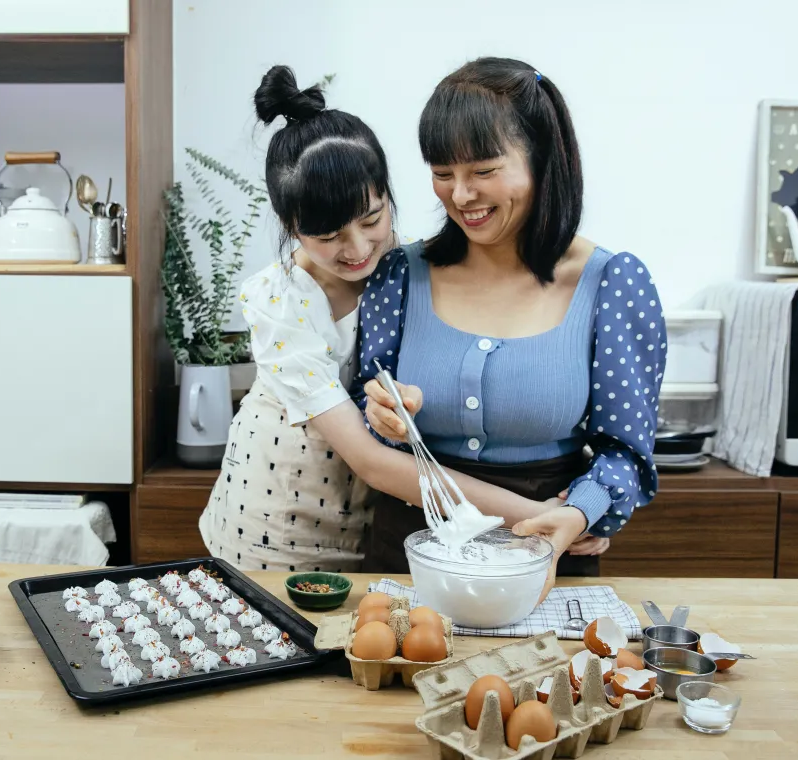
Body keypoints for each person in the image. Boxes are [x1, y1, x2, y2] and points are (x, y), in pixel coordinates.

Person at [199, 65, 565, 573]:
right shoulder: (278, 301)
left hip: (374, 526)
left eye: (372, 219)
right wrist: (541, 517)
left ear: (388, 194)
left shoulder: (406, 271)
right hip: (272, 527)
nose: (356, 249)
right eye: (327, 238)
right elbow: (371, 460)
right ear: (291, 227)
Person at [355, 57, 667, 587]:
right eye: (442, 173)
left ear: (542, 159)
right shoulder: (401, 274)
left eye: (483, 171)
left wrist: (581, 512)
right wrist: (381, 412)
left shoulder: (611, 283)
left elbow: (626, 455)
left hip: (545, 550)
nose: (460, 195)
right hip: (408, 552)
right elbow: (365, 404)